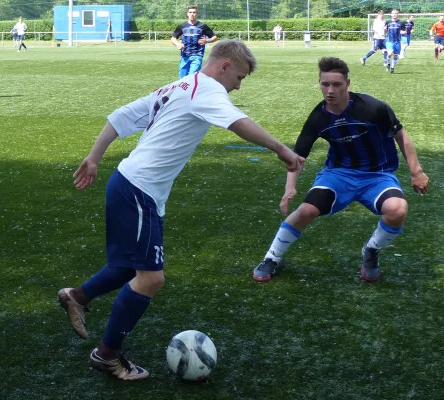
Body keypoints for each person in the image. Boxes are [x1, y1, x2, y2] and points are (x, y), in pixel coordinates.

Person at [58, 39, 304, 381]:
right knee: (150, 278)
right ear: (224, 66)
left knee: (127, 267)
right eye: (240, 77)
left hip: (130, 184)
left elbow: (121, 117)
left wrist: (95, 157)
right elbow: (238, 122)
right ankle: (106, 355)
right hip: (138, 189)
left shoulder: (178, 86)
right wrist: (282, 149)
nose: (238, 85)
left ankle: (77, 296)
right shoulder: (208, 89)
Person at [252, 57, 429, 285]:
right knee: (306, 211)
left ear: (348, 83)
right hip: (339, 175)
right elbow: (298, 157)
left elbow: (400, 135)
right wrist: (290, 187)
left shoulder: (373, 108)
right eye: (325, 84)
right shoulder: (318, 117)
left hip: (377, 176)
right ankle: (271, 258)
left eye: (336, 84)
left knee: (398, 209)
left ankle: (372, 250)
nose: (330, 90)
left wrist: (417, 171)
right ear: (319, 84)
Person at [171, 5, 218, 78]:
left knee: (192, 77)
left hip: (197, 55)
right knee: (182, 79)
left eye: (194, 12)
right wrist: (178, 44)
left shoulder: (202, 26)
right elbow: (173, 38)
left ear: (197, 14)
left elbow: (214, 37)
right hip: (184, 56)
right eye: (190, 12)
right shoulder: (182, 26)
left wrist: (207, 40)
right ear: (187, 13)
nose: (192, 14)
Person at [384, 9, 406, 74]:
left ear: (398, 14)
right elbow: (385, 30)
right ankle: (388, 63)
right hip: (389, 40)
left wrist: (403, 32)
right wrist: (384, 30)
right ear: (391, 14)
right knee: (390, 53)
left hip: (397, 41)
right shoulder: (388, 22)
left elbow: (404, 31)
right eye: (393, 13)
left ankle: (392, 68)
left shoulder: (401, 23)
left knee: (396, 56)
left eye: (396, 13)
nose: (394, 14)